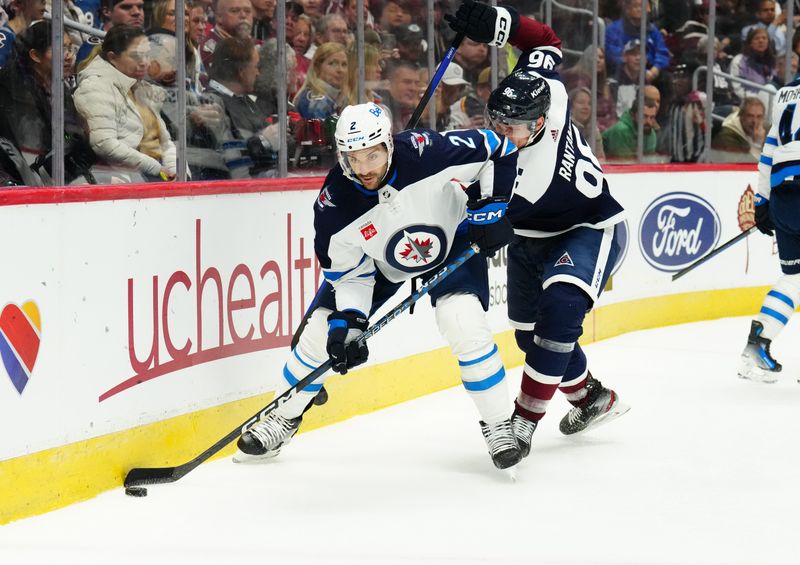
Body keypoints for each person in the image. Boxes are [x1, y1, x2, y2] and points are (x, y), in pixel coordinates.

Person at [234, 101, 524, 470]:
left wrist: (491, 208)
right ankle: (284, 417)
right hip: (381, 264)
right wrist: (350, 322)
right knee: (321, 331)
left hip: (453, 238)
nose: (363, 169)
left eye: (372, 156)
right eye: (353, 158)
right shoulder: (334, 204)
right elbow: (351, 275)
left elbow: (499, 149)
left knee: (462, 320)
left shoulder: (426, 152)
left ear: (388, 144)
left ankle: (499, 424)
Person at [446, 0, 629, 458]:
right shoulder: (546, 89)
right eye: (499, 122)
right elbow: (545, 41)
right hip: (532, 237)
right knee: (531, 338)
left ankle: (523, 423)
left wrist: (474, 222)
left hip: (589, 227)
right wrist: (498, 25)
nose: (505, 133)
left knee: (560, 314)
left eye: (516, 127)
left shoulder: (530, 174)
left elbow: (490, 215)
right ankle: (591, 397)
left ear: (540, 123)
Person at [738, 75, 800, 383]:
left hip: (783, 196)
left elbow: (769, 149)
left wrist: (762, 203)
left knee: (794, 277)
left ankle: (758, 342)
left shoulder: (785, 93)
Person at [74, 24, 178, 181]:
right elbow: (104, 144)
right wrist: (159, 170)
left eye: (147, 55)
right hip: (117, 180)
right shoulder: (95, 86)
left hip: (152, 176)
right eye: (136, 56)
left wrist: (175, 173)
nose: (144, 62)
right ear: (112, 58)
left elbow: (165, 142)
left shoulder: (141, 88)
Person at [293, 41, 349, 119]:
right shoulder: (314, 100)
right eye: (333, 63)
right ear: (317, 67)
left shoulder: (342, 99)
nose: (340, 70)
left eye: (344, 64)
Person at [602, 93, 659, 161]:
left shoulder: (651, 133)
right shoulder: (620, 130)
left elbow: (649, 162)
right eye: (644, 116)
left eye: (652, 117)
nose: (648, 121)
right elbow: (624, 163)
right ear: (633, 115)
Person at [710, 96, 766, 163]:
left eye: (759, 116)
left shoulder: (766, 129)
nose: (755, 121)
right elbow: (744, 166)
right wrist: (757, 144)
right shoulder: (726, 136)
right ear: (741, 116)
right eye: (750, 116)